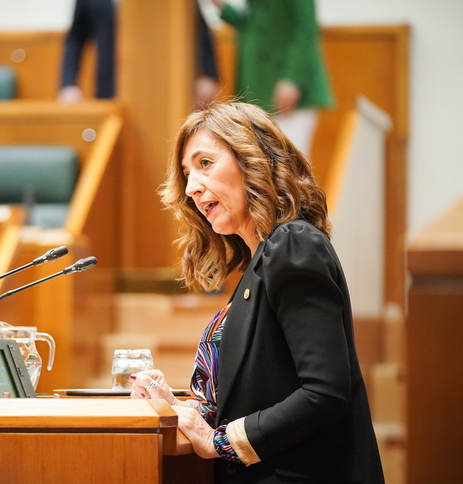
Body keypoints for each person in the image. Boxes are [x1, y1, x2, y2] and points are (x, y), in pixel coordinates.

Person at [130, 101, 384, 482]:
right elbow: (261, 392)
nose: (192, 186)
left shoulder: (293, 243)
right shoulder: (258, 264)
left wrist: (219, 442)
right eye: (186, 173)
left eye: (204, 163)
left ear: (253, 160)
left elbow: (325, 392)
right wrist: (179, 407)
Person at [211, 0, 334, 158]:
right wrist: (223, 7)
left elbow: (306, 27)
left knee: (291, 164)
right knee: (263, 165)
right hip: (259, 87)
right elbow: (254, 25)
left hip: (288, 90)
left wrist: (291, 78)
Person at [57, 0, 220, 110]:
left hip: (166, 88)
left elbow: (198, 27)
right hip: (110, 87)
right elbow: (76, 36)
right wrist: (69, 84)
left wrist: (208, 74)